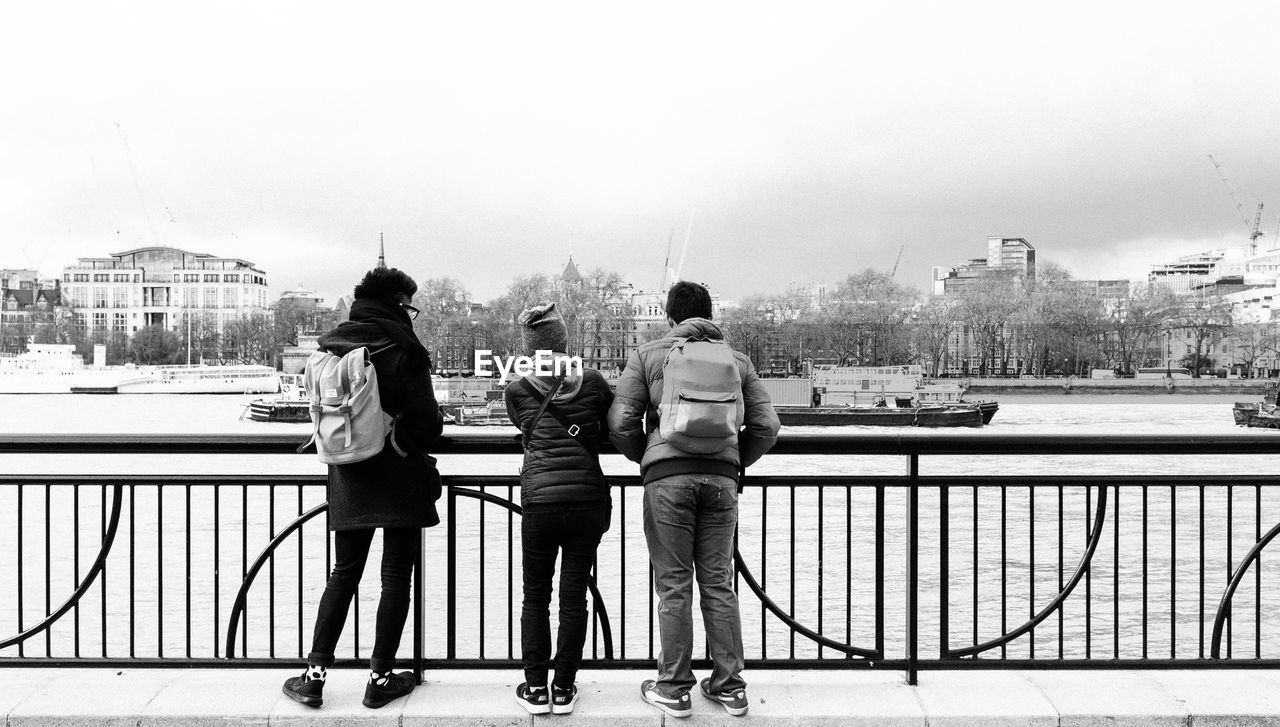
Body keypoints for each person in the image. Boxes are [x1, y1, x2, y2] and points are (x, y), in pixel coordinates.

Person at [608, 281, 779, 719]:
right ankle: (730, 687)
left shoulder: (648, 354)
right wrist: (734, 461)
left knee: (674, 586)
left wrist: (647, 457)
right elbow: (767, 426)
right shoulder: (737, 361)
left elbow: (622, 419)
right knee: (719, 583)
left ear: (669, 318)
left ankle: (674, 687)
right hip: (721, 480)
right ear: (710, 315)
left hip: (666, 479)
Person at [282, 266, 444, 710]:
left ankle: (313, 677)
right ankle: (380, 679)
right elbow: (428, 424)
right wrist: (402, 440)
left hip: (348, 470)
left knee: (344, 573)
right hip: (399, 474)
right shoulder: (404, 348)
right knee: (395, 579)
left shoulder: (332, 344)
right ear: (397, 302)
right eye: (409, 304)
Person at [503, 303, 614, 715]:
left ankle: (535, 687)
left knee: (535, 596)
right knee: (573, 596)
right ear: (564, 342)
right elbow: (606, 422)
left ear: (529, 348)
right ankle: (564, 687)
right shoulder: (594, 382)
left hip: (540, 503)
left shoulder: (516, 390)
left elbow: (523, 426)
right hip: (586, 500)